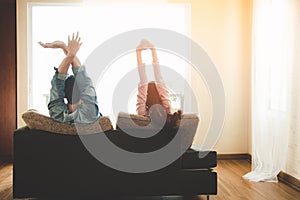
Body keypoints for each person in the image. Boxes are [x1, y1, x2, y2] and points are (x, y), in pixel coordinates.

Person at [39, 32, 101, 124]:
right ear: (83, 94)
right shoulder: (90, 113)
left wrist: (70, 53)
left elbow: (58, 84)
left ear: (64, 94)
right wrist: (67, 50)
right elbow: (84, 81)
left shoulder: (58, 115)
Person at [135, 39, 181, 128]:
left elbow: (144, 81)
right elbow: (158, 78)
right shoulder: (167, 112)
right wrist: (153, 49)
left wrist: (138, 52)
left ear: (147, 100)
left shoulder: (143, 116)